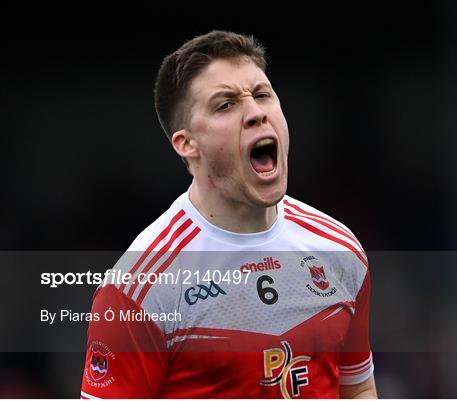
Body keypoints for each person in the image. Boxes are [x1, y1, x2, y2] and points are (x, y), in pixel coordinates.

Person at [80, 30, 377, 399]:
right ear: (187, 144)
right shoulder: (138, 292)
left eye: (263, 95)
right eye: (226, 105)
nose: (255, 113)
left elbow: (359, 387)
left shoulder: (339, 249)